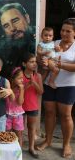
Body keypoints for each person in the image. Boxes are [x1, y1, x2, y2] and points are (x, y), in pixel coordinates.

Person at [36, 18, 75, 159]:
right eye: (63, 30)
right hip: (49, 83)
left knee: (65, 115)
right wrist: (42, 61)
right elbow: (40, 58)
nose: (64, 33)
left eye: (68, 31)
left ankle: (66, 144)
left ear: (74, 32)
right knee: (49, 113)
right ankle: (48, 140)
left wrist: (59, 65)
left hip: (68, 85)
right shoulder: (54, 43)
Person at [0, 2, 36, 78]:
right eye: (6, 26)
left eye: (15, 20)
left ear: (27, 18)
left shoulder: (41, 38)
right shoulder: (2, 52)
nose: (13, 28)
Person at [22, 53, 43, 158]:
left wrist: (34, 83)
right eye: (31, 62)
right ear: (24, 64)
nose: (34, 64)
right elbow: (16, 92)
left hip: (32, 106)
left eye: (35, 62)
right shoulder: (20, 75)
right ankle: (19, 147)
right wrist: (27, 85)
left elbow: (41, 92)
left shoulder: (38, 76)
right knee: (19, 129)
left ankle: (31, 147)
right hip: (20, 107)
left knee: (31, 128)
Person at [6, 67, 24, 147]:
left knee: (18, 134)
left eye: (22, 78)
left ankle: (19, 154)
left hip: (18, 115)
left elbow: (20, 102)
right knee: (7, 134)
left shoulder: (20, 89)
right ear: (13, 79)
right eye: (19, 78)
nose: (22, 80)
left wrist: (22, 90)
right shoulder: (7, 88)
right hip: (7, 114)